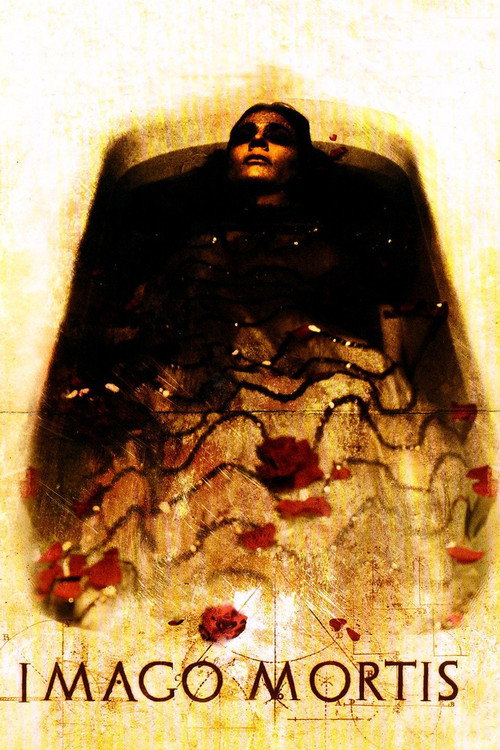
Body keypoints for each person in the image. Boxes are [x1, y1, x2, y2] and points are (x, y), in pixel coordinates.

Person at [29, 103, 489, 633]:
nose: (257, 141)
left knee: (343, 397)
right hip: (196, 365)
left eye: (277, 135)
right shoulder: (190, 239)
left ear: (302, 160)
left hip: (305, 361)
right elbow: (154, 315)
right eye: (245, 133)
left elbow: (356, 308)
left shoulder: (328, 239)